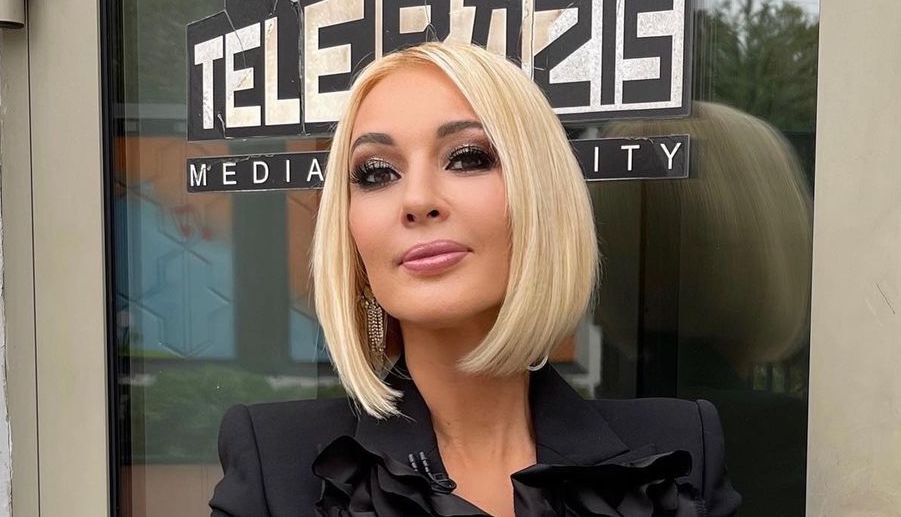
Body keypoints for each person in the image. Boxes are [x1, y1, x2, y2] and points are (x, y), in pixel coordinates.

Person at [208, 41, 742, 517]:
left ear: (540, 195)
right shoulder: (276, 466)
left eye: (467, 158)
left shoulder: (679, 454)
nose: (418, 200)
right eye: (376, 172)